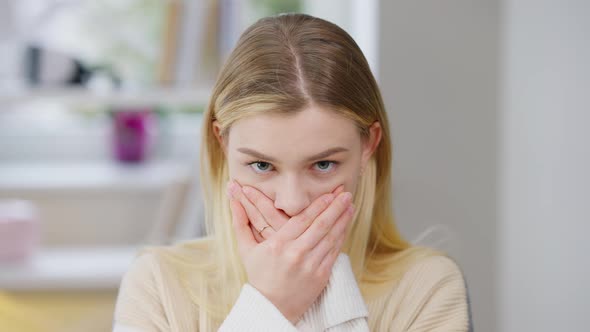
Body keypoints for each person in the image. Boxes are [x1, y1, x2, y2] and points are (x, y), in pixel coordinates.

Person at [113, 13, 471, 332]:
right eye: (262, 165)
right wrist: (270, 304)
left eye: (323, 165)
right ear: (222, 145)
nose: (292, 203)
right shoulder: (158, 284)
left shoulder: (427, 287)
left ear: (367, 146)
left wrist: (329, 296)